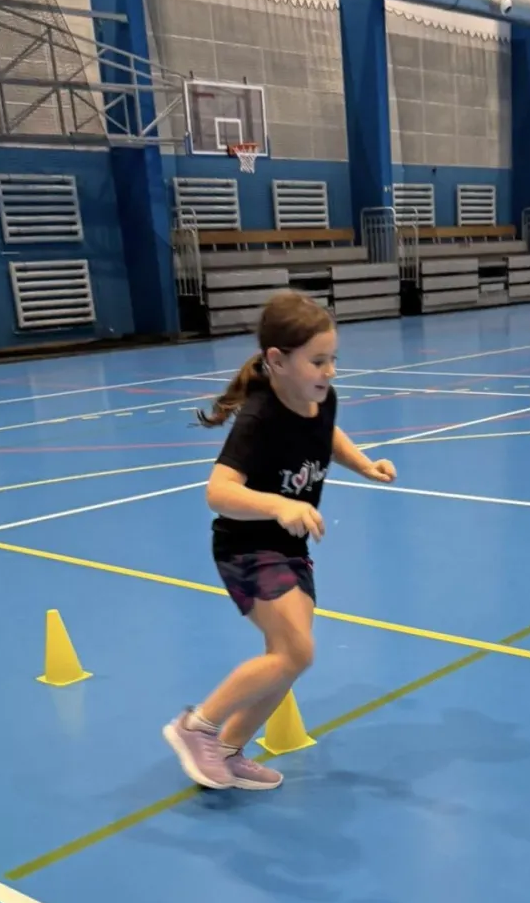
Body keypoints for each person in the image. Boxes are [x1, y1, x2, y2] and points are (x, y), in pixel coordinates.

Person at [164, 291, 396, 790]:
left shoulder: (320, 397)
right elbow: (218, 492)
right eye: (318, 360)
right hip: (246, 546)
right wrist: (279, 505)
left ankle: (228, 750)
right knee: (297, 653)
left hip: (290, 548)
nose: (329, 371)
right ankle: (196, 728)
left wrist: (363, 464)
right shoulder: (259, 417)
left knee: (287, 659)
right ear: (277, 360)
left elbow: (327, 433)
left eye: (333, 359)